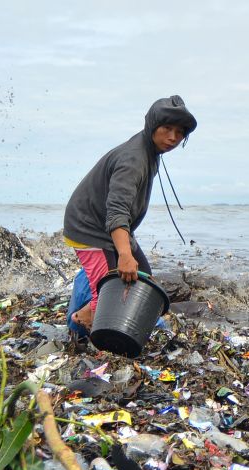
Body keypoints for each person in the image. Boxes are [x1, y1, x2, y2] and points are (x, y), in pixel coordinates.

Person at [63, 95, 197, 337]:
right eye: (167, 128)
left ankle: (85, 313)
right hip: (89, 228)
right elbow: (117, 210)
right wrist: (124, 254)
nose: (173, 138)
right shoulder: (134, 159)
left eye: (180, 132)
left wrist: (127, 252)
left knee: (144, 279)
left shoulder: (151, 152)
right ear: (152, 125)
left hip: (107, 226)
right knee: (111, 293)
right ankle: (81, 326)